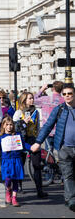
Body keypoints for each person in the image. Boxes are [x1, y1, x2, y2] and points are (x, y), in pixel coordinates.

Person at [31, 83, 75, 212]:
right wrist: (38, 142)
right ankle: (71, 200)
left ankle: (68, 198)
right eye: (65, 94)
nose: (67, 96)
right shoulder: (59, 109)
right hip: (64, 147)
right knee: (68, 175)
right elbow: (48, 126)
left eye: (70, 94)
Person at [13, 92, 47, 198]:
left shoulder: (36, 112)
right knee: (20, 164)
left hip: (33, 139)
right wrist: (23, 122)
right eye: (29, 98)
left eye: (32, 98)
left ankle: (39, 190)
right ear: (24, 100)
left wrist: (39, 139)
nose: (31, 100)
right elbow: (13, 127)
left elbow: (37, 126)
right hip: (21, 140)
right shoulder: (19, 112)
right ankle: (19, 186)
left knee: (37, 165)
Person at [0, 116, 31, 207]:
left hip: (17, 160)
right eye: (7, 125)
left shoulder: (17, 135)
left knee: (16, 180)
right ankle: (8, 190)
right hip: (6, 161)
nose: (9, 126)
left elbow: (24, 145)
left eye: (11, 124)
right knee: (8, 179)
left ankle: (14, 198)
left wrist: (31, 147)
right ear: (3, 126)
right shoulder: (0, 137)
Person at [33, 81, 64, 149]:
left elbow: (33, 100)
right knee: (61, 153)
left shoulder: (45, 99)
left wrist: (42, 89)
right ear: (62, 89)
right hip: (60, 130)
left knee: (49, 154)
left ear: (52, 89)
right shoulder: (64, 101)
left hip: (48, 130)